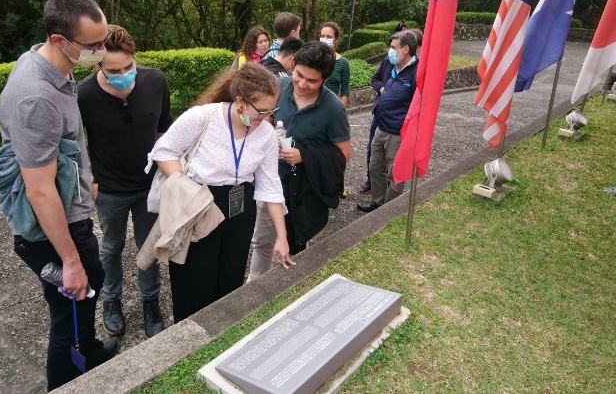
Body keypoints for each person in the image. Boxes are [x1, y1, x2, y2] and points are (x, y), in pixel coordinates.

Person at [0, 0, 118, 391]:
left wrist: (86, 178)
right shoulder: (36, 97)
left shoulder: (51, 63)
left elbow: (62, 150)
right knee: (70, 307)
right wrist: (69, 260)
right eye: (94, 46)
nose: (102, 52)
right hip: (53, 226)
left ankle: (92, 351)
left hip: (72, 208)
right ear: (59, 39)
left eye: (104, 41)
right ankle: (65, 383)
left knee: (91, 283)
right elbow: (40, 191)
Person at [148, 64, 294, 322]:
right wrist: (183, 187)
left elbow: (271, 186)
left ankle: (223, 331)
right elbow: (163, 151)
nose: (266, 118)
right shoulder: (202, 117)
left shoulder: (266, 134)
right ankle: (191, 336)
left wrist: (281, 237)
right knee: (195, 279)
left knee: (231, 276)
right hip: (200, 202)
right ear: (240, 102)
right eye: (261, 111)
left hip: (240, 206)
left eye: (271, 111)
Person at [77, 25, 171, 339]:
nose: (124, 74)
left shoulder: (155, 80)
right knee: (111, 247)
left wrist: (167, 172)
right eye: (114, 70)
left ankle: (150, 302)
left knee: (150, 246)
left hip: (148, 186)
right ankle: (111, 300)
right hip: (109, 188)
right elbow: (76, 143)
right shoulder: (83, 94)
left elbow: (163, 131)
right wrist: (88, 179)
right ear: (98, 64)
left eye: (129, 66)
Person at [247, 42, 351, 281]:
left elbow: (344, 153)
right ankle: (254, 287)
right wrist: (267, 134)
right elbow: (264, 121)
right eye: (299, 76)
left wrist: (305, 155)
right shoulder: (279, 87)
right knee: (262, 240)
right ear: (292, 65)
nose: (303, 85)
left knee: (296, 241)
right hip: (271, 181)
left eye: (312, 81)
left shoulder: (333, 109)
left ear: (325, 79)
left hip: (304, 190)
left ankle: (289, 286)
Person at [357, 30, 419, 212]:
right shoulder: (393, 65)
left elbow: (419, 104)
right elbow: (377, 80)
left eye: (393, 47)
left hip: (397, 133)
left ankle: (388, 212)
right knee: (375, 167)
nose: (389, 51)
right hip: (380, 127)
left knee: (395, 174)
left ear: (406, 49)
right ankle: (378, 203)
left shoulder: (416, 72)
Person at [319, 22, 351, 107]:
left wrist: (340, 112)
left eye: (329, 37)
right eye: (322, 36)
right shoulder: (313, 58)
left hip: (331, 107)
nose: (325, 39)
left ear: (336, 39)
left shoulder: (343, 62)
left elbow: (345, 92)